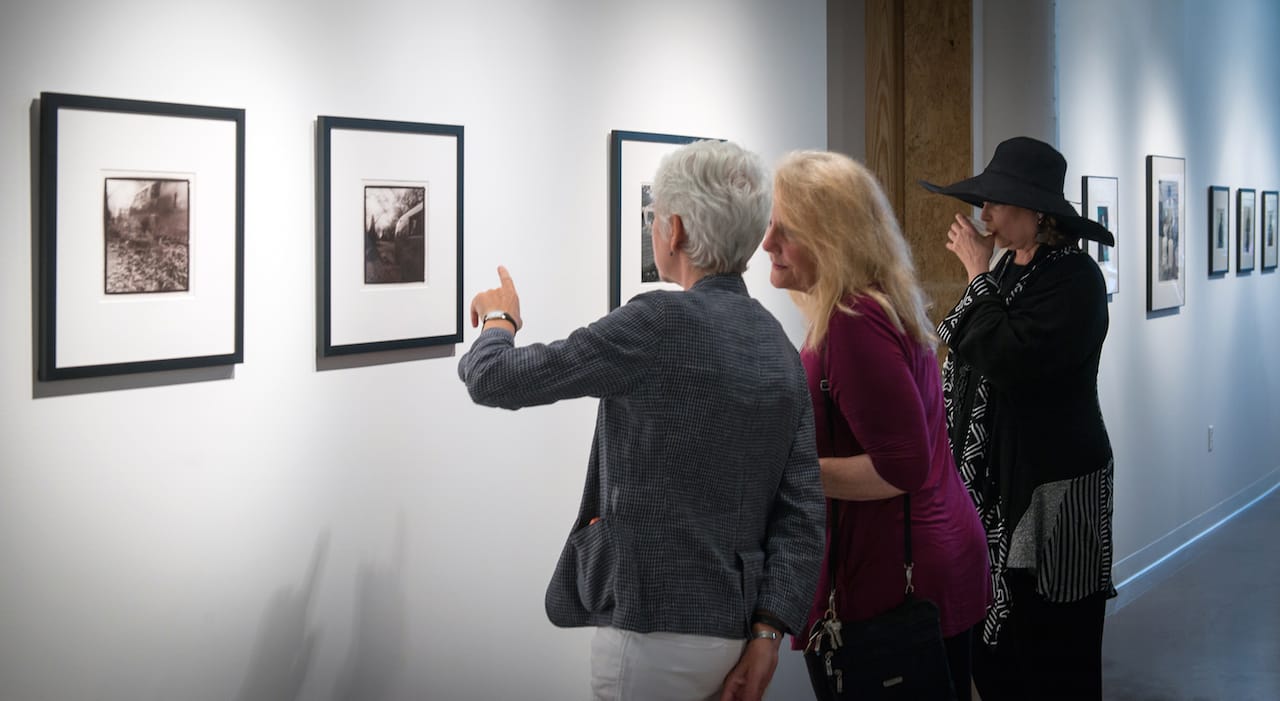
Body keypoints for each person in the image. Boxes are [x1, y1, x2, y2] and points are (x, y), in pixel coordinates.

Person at [457, 140, 825, 701]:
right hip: (736, 630)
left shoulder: (656, 322)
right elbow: (803, 512)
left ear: (673, 231)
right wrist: (769, 632)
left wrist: (499, 319)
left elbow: (496, 378)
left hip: (650, 630)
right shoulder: (776, 344)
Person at [763, 150, 991, 700]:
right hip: (917, 558)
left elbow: (902, 467)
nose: (766, 242)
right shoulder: (868, 307)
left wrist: (786, 471)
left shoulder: (852, 322)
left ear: (831, 236)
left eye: (784, 229)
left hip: (900, 576)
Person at [921, 136, 1117, 700]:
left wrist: (977, 272)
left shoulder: (1076, 279)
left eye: (998, 203)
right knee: (998, 651)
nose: (985, 214)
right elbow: (957, 337)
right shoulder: (1008, 269)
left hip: (1052, 488)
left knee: (1055, 645)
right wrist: (983, 276)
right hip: (998, 485)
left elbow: (1011, 358)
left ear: (1036, 213)